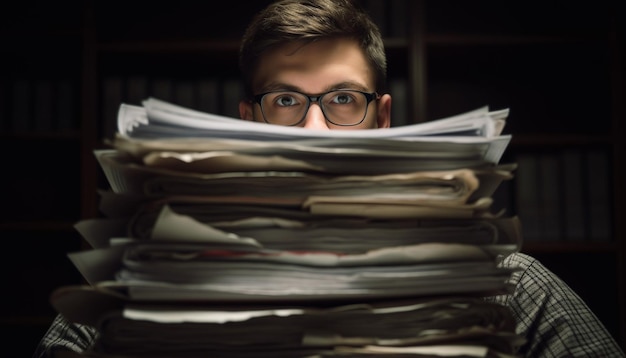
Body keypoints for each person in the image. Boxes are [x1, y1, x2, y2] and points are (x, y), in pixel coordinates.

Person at [33, 0, 624, 357]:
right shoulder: (144, 278)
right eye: (286, 99)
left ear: (382, 116)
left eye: (343, 98)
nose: (315, 125)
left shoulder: (503, 281)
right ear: (250, 119)